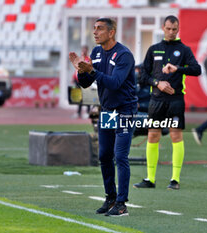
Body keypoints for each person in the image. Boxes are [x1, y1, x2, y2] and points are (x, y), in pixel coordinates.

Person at [69, 18, 137, 217]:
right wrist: (81, 71)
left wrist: (92, 70)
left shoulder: (124, 55)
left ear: (111, 32)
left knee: (120, 155)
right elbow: (86, 83)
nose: (95, 32)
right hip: (107, 110)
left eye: (100, 29)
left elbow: (115, 83)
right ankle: (111, 197)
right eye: (94, 29)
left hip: (125, 109)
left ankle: (122, 203)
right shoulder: (96, 53)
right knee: (104, 155)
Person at [133, 15, 201, 190]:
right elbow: (143, 77)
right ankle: (150, 179)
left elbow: (197, 69)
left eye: (174, 29)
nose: (171, 32)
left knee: (176, 136)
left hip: (176, 100)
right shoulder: (154, 49)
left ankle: (175, 180)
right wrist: (158, 84)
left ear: (178, 29)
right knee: (152, 136)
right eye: (169, 28)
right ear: (163, 28)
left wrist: (178, 68)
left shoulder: (184, 50)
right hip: (156, 100)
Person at [72, 45, 91, 119]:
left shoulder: (88, 59)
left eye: (85, 50)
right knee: (78, 97)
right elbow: (76, 70)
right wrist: (73, 77)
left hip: (85, 80)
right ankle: (78, 112)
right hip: (77, 80)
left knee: (87, 96)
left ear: (87, 51)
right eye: (82, 50)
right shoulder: (79, 59)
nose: (83, 51)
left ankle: (87, 112)